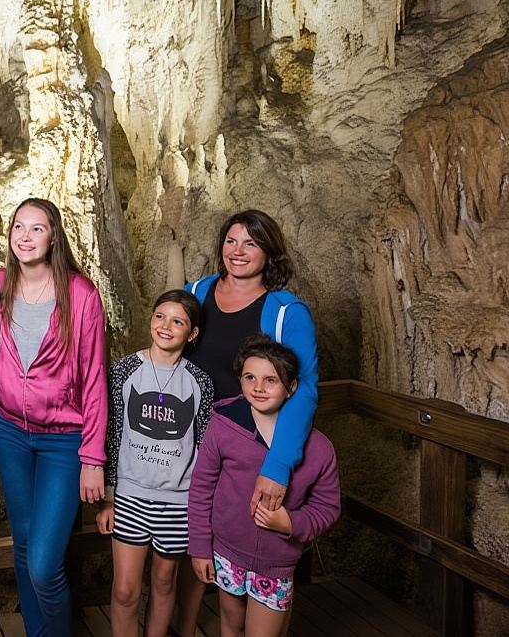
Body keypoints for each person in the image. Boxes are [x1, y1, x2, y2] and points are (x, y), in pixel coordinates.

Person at [175, 209, 318, 637]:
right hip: (191, 442)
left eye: (251, 243)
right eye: (232, 241)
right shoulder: (195, 293)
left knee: (256, 554)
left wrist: (278, 465)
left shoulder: (285, 312)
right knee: (191, 542)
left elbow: (305, 389)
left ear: (268, 252)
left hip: (251, 449)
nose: (239, 252)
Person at [0, 198, 109, 637]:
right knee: (22, 543)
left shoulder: (80, 294)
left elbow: (95, 379)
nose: (25, 236)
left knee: (43, 562)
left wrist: (93, 458)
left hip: (64, 441)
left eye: (36, 228)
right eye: (18, 226)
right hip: (8, 432)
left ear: (53, 235)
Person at [188, 336, 341, 637]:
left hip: (276, 562)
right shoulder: (223, 426)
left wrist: (291, 523)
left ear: (292, 388)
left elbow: (328, 506)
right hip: (226, 552)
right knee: (230, 625)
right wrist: (200, 548)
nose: (258, 387)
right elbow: (201, 488)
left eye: (271, 380)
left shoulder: (318, 447)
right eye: (250, 377)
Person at [97, 290, 215, 637]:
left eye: (178, 321)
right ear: (151, 319)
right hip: (130, 497)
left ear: (191, 333)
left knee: (164, 583)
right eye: (160, 316)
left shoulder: (200, 382)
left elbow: (204, 446)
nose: (166, 326)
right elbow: (113, 435)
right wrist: (107, 499)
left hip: (178, 503)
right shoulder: (124, 370)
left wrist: (199, 508)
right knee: (125, 589)